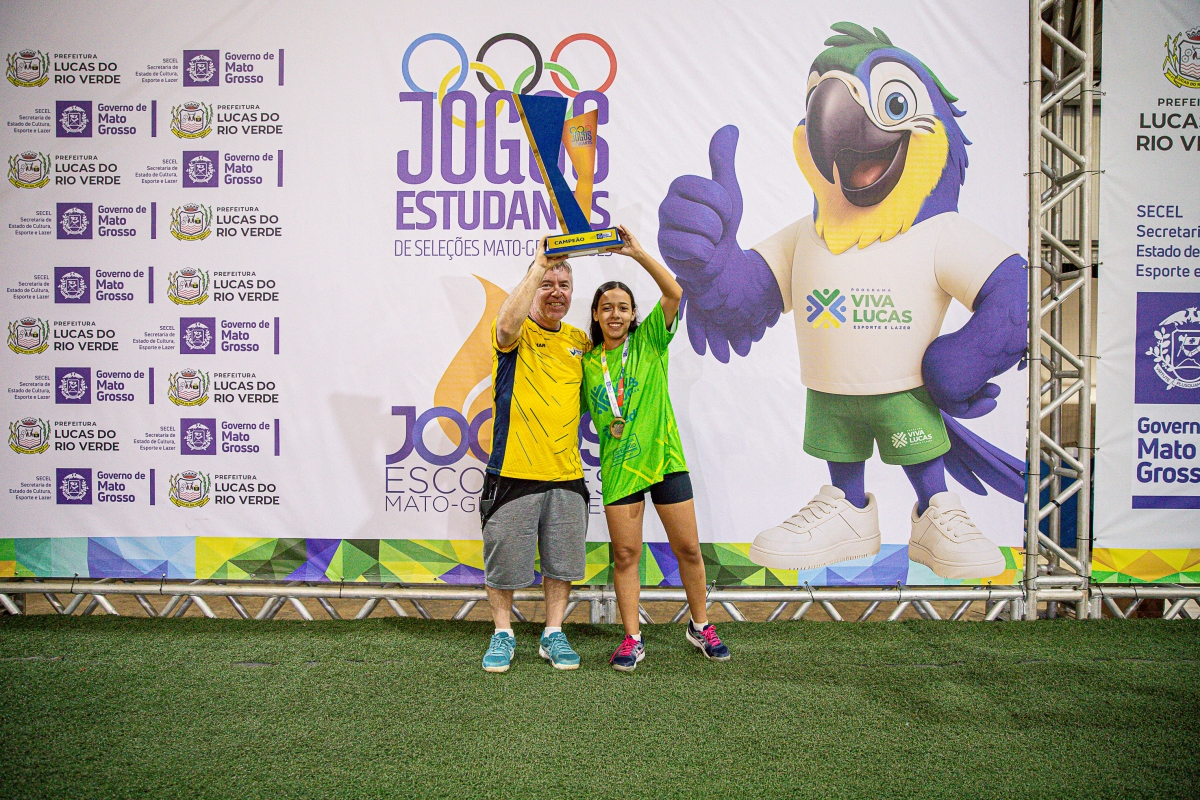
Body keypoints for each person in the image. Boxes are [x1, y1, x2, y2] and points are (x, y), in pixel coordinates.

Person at [582, 225, 730, 672]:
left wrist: (638, 253)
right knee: (626, 556)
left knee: (689, 549)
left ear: (633, 315)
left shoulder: (649, 341)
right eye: (606, 307)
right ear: (595, 315)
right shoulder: (586, 363)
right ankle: (632, 638)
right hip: (621, 466)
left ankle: (700, 625)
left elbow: (674, 293)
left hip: (665, 461)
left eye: (623, 307)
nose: (615, 314)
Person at [479, 241, 592, 673]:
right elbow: (506, 324)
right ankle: (502, 633)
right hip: (514, 471)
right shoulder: (515, 331)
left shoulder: (579, 341)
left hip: (566, 475)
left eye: (564, 284)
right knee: (504, 565)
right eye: (547, 283)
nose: (556, 291)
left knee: (562, 566)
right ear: (532, 286)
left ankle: (553, 632)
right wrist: (539, 263)